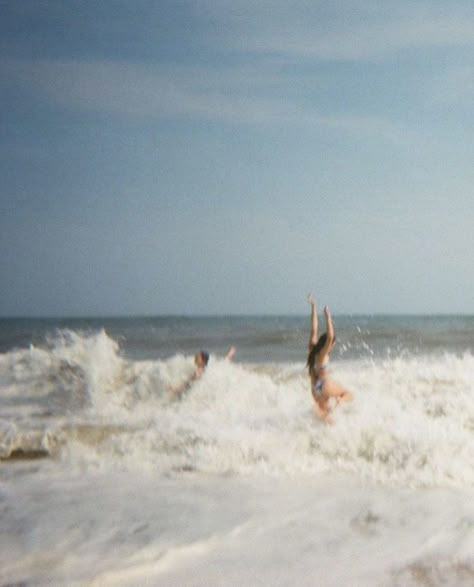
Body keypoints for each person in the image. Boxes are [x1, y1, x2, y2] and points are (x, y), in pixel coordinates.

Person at [306, 294, 352, 423]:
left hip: (314, 388)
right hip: (324, 385)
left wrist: (313, 307)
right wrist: (328, 318)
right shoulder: (322, 355)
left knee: (326, 417)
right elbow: (330, 337)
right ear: (328, 344)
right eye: (332, 344)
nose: (332, 345)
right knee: (347, 394)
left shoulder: (312, 349)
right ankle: (339, 401)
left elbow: (313, 329)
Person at [171, 346, 236, 396]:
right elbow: (224, 362)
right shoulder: (207, 368)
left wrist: (176, 389)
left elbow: (189, 384)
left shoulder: (200, 371)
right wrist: (230, 353)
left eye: (198, 357)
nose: (195, 357)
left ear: (203, 360)